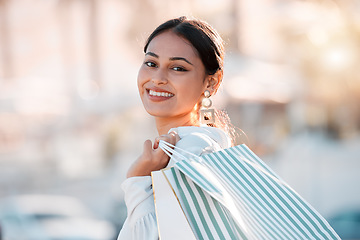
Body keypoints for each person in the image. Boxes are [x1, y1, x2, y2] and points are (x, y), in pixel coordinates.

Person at [117, 16, 234, 240]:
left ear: (211, 82)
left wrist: (137, 179)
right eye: (151, 63)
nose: (158, 78)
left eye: (178, 68)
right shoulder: (197, 146)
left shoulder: (192, 154)